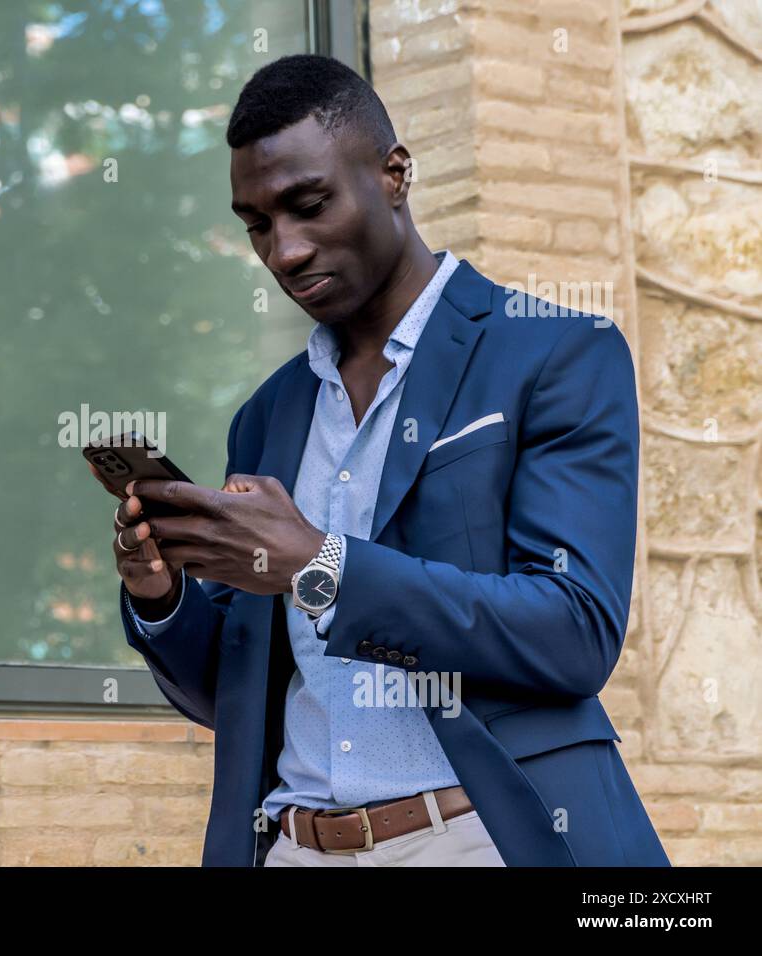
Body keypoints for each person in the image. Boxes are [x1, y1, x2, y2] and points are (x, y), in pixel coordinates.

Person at [90, 54, 669, 867]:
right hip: (294, 843)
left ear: (394, 174)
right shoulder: (267, 416)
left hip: (476, 837)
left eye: (309, 205)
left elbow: (574, 632)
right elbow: (238, 698)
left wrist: (319, 566)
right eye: (256, 224)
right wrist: (162, 595)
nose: (284, 252)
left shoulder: (556, 354)